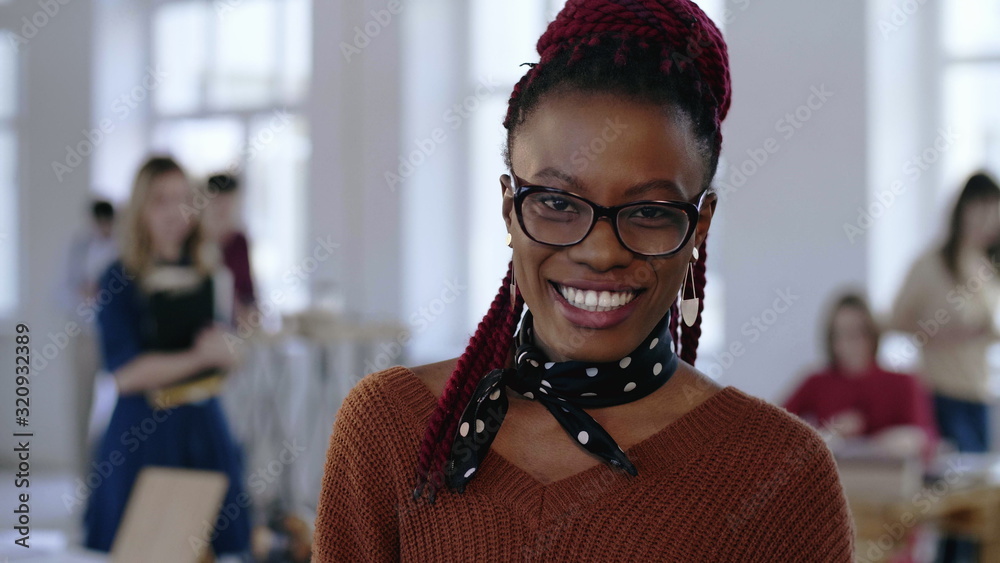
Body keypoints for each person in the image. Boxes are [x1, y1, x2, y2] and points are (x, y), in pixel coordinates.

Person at [313, 1, 855, 560]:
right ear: (509, 208)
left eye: (649, 212)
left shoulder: (781, 474)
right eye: (556, 202)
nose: (601, 253)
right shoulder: (389, 428)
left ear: (699, 226)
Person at [82, 156, 251, 559]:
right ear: (140, 208)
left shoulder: (211, 272)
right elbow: (125, 374)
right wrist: (198, 357)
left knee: (217, 547)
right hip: (144, 432)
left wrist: (231, 352)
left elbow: (227, 351)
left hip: (204, 426)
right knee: (145, 548)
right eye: (160, 200)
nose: (175, 212)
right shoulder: (119, 278)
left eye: (183, 199)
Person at [889, 171, 1000, 454]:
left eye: (995, 212)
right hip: (941, 391)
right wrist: (938, 334)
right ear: (963, 210)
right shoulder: (931, 265)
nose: (989, 220)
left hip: (980, 389)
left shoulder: (987, 266)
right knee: (954, 471)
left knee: (979, 475)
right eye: (982, 209)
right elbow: (895, 319)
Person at [784, 292, 937, 460]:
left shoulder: (903, 382)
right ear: (831, 339)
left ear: (872, 335)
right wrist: (830, 432)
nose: (849, 343)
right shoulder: (816, 383)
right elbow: (777, 425)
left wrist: (907, 440)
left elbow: (927, 439)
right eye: (840, 334)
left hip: (887, 472)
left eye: (858, 333)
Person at [60, 199, 119, 475]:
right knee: (82, 406)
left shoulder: (122, 249)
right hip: (85, 335)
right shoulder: (78, 248)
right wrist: (81, 294)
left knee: (120, 404)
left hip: (115, 337)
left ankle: (111, 471)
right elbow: (60, 292)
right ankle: (83, 476)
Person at [203, 172, 258, 329]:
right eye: (218, 201)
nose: (223, 208)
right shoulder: (198, 242)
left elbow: (248, 291)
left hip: (235, 328)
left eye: (229, 202)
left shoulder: (239, 242)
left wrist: (249, 311)